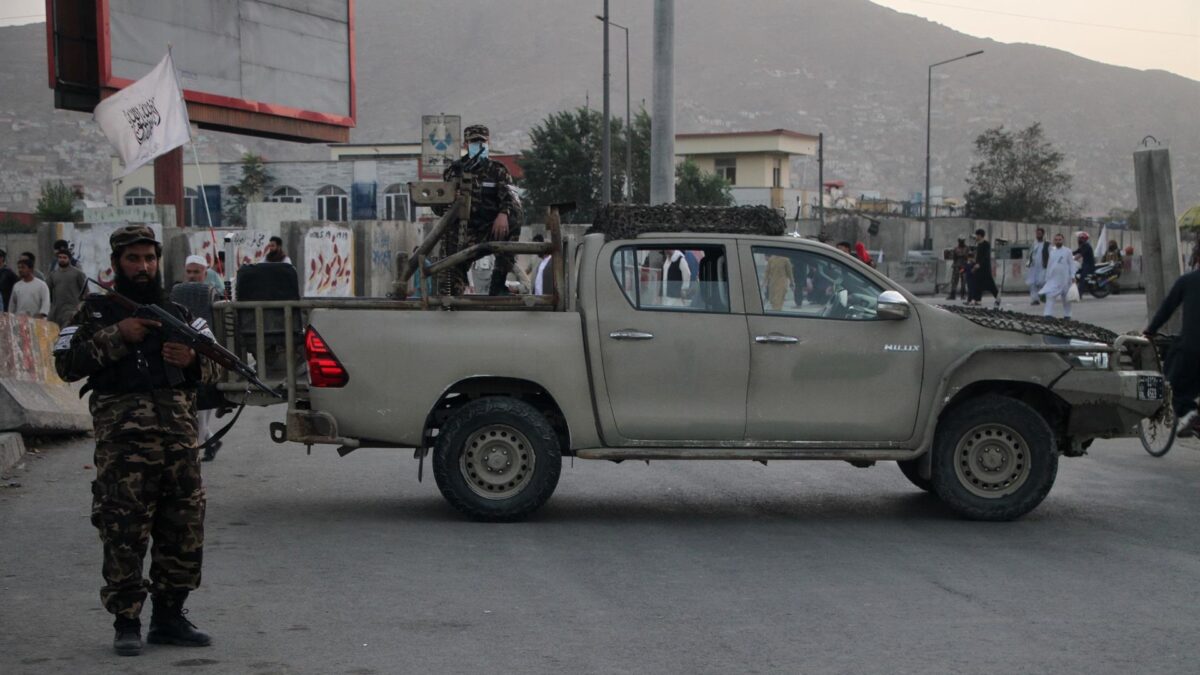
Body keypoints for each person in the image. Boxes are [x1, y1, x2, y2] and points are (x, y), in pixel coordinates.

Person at [54, 225, 222, 656]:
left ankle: (170, 618)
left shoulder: (182, 315)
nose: (143, 267)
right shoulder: (92, 313)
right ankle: (126, 622)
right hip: (123, 451)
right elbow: (66, 365)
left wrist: (192, 361)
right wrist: (118, 336)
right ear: (116, 264)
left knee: (182, 533)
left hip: (179, 449)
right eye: (133, 259)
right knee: (123, 531)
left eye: (149, 258)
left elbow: (220, 369)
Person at [432, 124, 520, 295]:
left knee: (515, 217)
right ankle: (453, 296)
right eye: (474, 141)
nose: (478, 145)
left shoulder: (498, 170)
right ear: (466, 144)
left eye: (482, 141)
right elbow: (438, 208)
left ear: (489, 142)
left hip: (491, 229)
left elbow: (511, 197)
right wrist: (451, 198)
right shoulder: (454, 171)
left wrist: (503, 213)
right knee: (449, 276)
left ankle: (498, 283)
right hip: (462, 233)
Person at [178, 255, 226, 462]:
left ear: (204, 274)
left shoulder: (214, 297)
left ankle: (194, 458)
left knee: (200, 418)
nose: (192, 276)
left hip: (207, 368)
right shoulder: (176, 294)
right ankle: (211, 442)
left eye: (196, 272)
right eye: (189, 272)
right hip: (183, 365)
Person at [1145, 269, 1200, 436]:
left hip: (1193, 347)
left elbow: (1167, 308)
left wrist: (1150, 331)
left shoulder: (1188, 280)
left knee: (1170, 384)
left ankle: (1189, 414)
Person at [1039, 233, 1076, 319]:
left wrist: (1073, 276)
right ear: (1054, 241)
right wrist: (1047, 278)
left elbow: (1071, 264)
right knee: (1050, 295)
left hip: (1065, 279)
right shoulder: (1052, 251)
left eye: (1059, 240)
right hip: (1054, 279)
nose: (1058, 241)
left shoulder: (1068, 251)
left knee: (1066, 299)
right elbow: (1049, 265)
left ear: (1063, 240)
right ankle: (1047, 315)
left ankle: (1067, 316)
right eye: (1056, 240)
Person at [48, 249, 88, 326]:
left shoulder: (78, 274)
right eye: (60, 257)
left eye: (64, 257)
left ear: (69, 259)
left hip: (72, 311)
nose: (62, 259)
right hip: (57, 313)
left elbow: (85, 293)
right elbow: (47, 292)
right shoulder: (53, 275)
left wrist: (80, 307)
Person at [971, 229, 1000, 307]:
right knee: (977, 283)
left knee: (990, 284)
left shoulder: (986, 244)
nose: (976, 237)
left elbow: (986, 256)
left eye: (977, 235)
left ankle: (997, 297)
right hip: (978, 268)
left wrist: (979, 264)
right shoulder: (978, 244)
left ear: (980, 235)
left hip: (985, 268)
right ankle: (978, 300)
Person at [1025, 228, 1049, 306]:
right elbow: (1029, 254)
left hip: (1043, 267)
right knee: (1033, 283)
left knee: (1042, 282)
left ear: (1043, 234)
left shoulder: (1047, 244)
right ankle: (1035, 299)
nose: (1038, 235)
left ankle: (1043, 296)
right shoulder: (1033, 244)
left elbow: (1051, 255)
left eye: (1040, 233)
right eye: (1037, 233)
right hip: (1033, 267)